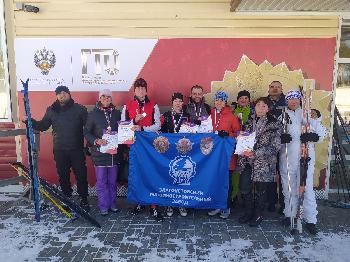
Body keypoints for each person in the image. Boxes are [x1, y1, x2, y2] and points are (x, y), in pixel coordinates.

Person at [28, 86, 89, 210]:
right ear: (56, 96)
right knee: (63, 176)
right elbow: (43, 126)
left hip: (76, 149)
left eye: (64, 93)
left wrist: (89, 144)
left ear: (69, 94)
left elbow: (88, 128)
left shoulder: (80, 109)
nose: (62, 95)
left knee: (81, 175)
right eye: (59, 93)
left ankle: (84, 199)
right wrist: (30, 121)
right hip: (60, 150)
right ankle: (67, 198)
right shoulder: (51, 110)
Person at [279, 90, 327, 235]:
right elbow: (275, 135)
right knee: (289, 189)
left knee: (306, 190)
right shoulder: (282, 116)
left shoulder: (307, 114)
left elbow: (321, 131)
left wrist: (315, 136)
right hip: (287, 158)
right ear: (286, 101)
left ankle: (311, 219)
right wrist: (281, 139)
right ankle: (290, 214)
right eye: (290, 99)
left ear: (300, 100)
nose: (293, 102)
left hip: (305, 158)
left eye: (296, 99)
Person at [121, 77, 163, 221]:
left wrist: (142, 128)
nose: (140, 90)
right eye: (138, 88)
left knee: (152, 174)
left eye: (143, 88)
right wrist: (134, 122)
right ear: (134, 90)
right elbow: (123, 126)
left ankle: (153, 204)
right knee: (137, 175)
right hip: (135, 146)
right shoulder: (127, 106)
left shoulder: (153, 105)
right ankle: (140, 202)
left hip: (150, 146)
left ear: (146, 90)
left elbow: (158, 125)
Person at [237, 97, 282, 227]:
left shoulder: (274, 123)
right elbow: (244, 138)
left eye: (264, 106)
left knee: (260, 190)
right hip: (246, 161)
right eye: (258, 105)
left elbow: (275, 146)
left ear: (268, 108)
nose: (260, 108)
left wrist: (256, 153)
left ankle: (258, 214)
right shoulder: (248, 121)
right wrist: (241, 140)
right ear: (254, 107)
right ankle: (248, 212)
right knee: (244, 187)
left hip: (263, 163)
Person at [84, 89, 121, 216]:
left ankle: (113, 204)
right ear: (99, 98)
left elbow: (123, 130)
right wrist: (96, 140)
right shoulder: (93, 114)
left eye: (108, 97)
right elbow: (86, 132)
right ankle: (103, 206)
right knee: (101, 182)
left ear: (111, 99)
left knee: (112, 181)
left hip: (113, 154)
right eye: (103, 96)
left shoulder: (117, 113)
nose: (106, 98)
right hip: (99, 153)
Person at [207, 91, 240, 219]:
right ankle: (216, 205)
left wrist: (227, 135)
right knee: (215, 181)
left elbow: (238, 134)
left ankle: (226, 207)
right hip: (213, 155)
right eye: (217, 100)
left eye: (221, 100)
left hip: (227, 155)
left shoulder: (231, 117)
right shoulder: (211, 115)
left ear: (225, 102)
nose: (218, 102)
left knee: (226, 182)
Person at [160, 92, 190, 217]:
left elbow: (193, 132)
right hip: (169, 152)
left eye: (180, 101)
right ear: (172, 103)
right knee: (169, 177)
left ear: (183, 103)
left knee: (182, 177)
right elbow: (159, 131)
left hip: (183, 151)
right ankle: (170, 203)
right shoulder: (165, 116)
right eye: (176, 101)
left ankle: (181, 204)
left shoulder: (187, 116)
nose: (178, 103)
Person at [266, 80, 287, 213]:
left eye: (277, 87)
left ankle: (284, 203)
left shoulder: (287, 102)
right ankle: (271, 202)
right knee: (270, 173)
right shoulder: (262, 101)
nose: (275, 89)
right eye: (272, 87)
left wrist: (314, 112)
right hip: (267, 143)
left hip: (284, 143)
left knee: (283, 173)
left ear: (281, 89)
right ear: (269, 88)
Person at [231, 90, 255, 207]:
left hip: (248, 147)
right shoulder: (233, 111)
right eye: (241, 98)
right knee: (235, 172)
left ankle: (248, 200)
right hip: (235, 146)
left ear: (249, 100)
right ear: (237, 100)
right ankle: (234, 196)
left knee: (247, 173)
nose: (243, 100)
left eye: (246, 98)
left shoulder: (253, 112)